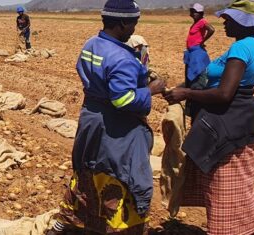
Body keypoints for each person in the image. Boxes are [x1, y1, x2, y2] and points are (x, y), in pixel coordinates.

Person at [47, 0, 166, 234]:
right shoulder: (121, 58)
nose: (134, 29)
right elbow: (123, 100)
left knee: (89, 171)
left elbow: (84, 69)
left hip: (91, 118)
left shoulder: (92, 44)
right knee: (120, 176)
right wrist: (150, 90)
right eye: (133, 23)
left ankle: (73, 221)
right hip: (115, 128)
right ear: (123, 23)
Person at [163, 1, 254, 234]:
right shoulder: (252, 44)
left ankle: (229, 230)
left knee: (225, 186)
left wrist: (186, 93)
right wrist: (184, 88)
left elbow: (224, 93)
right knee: (239, 183)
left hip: (228, 120)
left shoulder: (241, 47)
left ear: (243, 22)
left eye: (229, 19)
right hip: (241, 117)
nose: (224, 22)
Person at [185, 3, 216, 89]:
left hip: (197, 52)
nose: (194, 14)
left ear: (201, 14)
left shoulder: (202, 21)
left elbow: (211, 29)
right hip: (191, 52)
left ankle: (197, 91)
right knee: (191, 74)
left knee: (198, 75)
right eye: (192, 11)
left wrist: (202, 41)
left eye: (196, 12)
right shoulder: (196, 22)